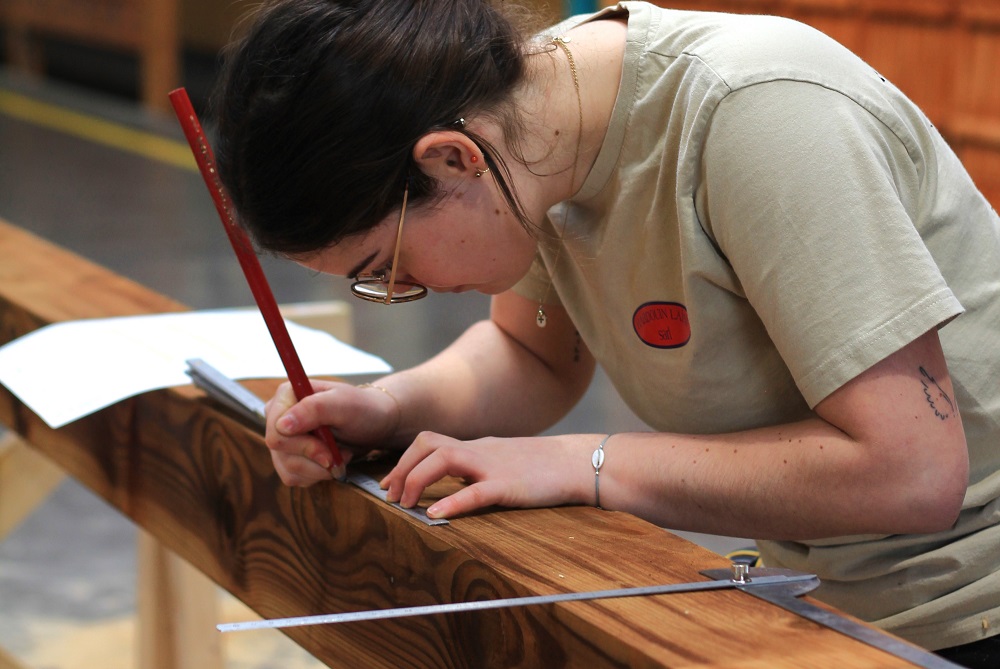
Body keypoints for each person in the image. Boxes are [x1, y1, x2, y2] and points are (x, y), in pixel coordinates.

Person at [211, 0, 1000, 663]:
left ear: (451, 159)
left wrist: (585, 461)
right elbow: (532, 352)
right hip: (816, 587)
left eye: (384, 264)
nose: (402, 291)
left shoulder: (755, 112)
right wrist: (388, 406)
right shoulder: (527, 130)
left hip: (967, 601)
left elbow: (912, 473)